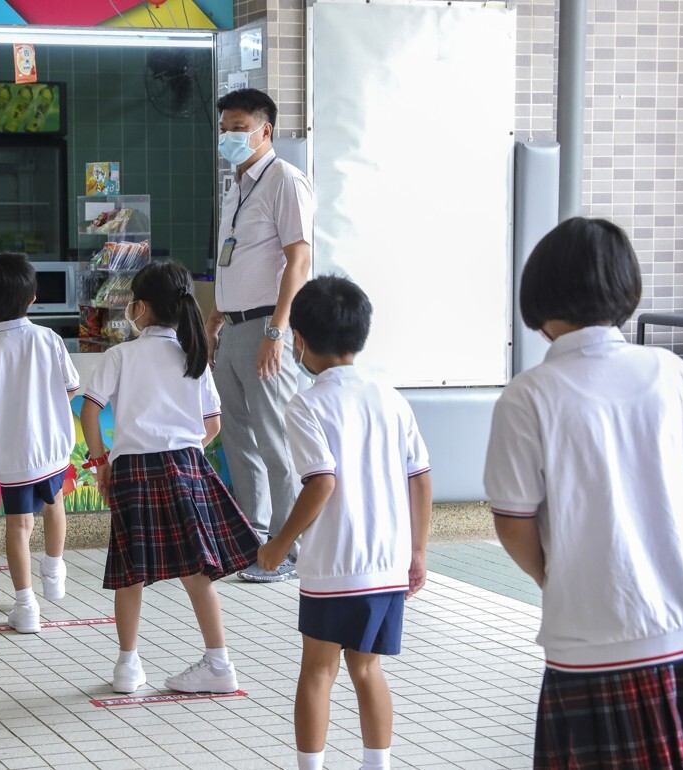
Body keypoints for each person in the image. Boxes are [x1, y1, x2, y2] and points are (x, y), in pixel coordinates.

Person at [484, 217, 683, 769]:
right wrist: (664, 523)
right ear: (625, 291)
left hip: (592, 641)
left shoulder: (528, 396)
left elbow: (513, 522)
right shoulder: (675, 374)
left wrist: (557, 573)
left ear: (539, 297)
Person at [258, 276, 433, 770]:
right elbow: (419, 478)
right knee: (367, 668)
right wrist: (417, 552)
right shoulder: (391, 398)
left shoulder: (307, 404)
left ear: (300, 340)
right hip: (387, 564)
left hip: (334, 563)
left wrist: (278, 546)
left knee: (317, 671)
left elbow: (321, 483)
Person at [80, 261, 261, 695]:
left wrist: (102, 462)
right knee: (197, 572)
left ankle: (127, 667)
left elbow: (90, 409)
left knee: (130, 572)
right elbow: (211, 424)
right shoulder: (192, 355)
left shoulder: (120, 355)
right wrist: (186, 450)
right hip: (185, 467)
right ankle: (219, 664)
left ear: (139, 307)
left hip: (133, 470)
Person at [204, 88, 315, 583]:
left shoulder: (285, 182)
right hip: (233, 326)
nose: (228, 135)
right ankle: (255, 539)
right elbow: (234, 258)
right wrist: (215, 314)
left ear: (264, 130)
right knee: (238, 440)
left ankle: (291, 551)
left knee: (276, 442)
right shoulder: (237, 186)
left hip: (267, 327)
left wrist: (278, 328)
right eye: (224, 127)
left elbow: (300, 260)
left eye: (238, 127)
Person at [0, 253, 79, 634]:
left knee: (18, 526)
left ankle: (26, 606)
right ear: (32, 299)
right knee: (55, 503)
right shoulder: (49, 338)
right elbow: (72, 388)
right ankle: (54, 570)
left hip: (14, 455)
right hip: (54, 448)